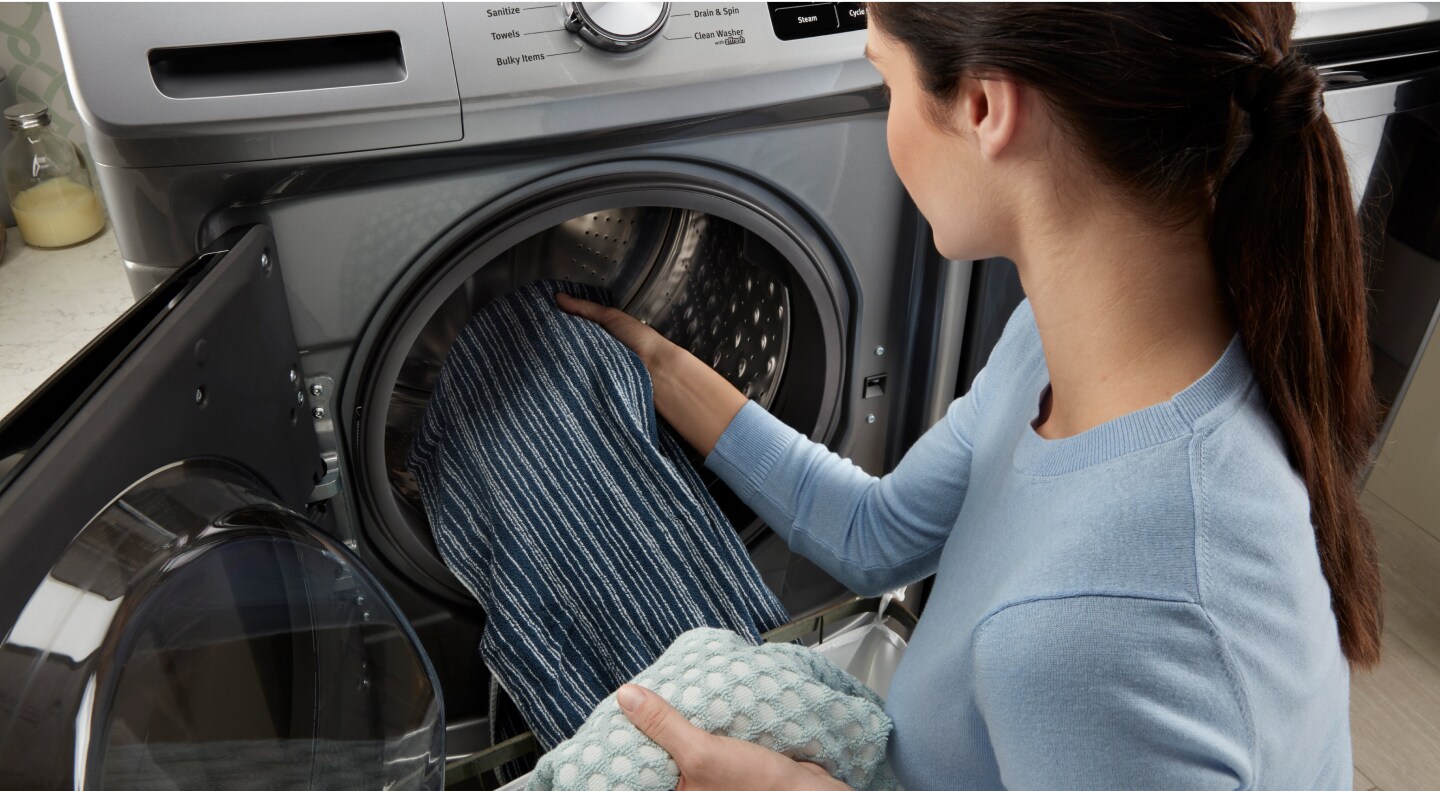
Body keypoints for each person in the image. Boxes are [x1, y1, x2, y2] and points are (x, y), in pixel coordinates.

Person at [556, 3, 1380, 789]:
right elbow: (872, 532)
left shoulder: (1096, 622)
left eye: (887, 82)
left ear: (985, 105)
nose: (889, 122)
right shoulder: (1086, 348)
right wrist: (651, 360)